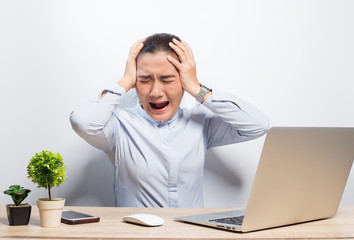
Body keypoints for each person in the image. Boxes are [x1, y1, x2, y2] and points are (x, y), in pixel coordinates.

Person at [70, 33, 270, 207]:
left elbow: (257, 125)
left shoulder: (200, 123)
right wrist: (125, 81)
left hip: (191, 234)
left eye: (167, 80)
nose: (156, 92)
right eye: (144, 80)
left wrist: (197, 88)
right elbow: (82, 121)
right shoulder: (118, 126)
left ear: (184, 80)